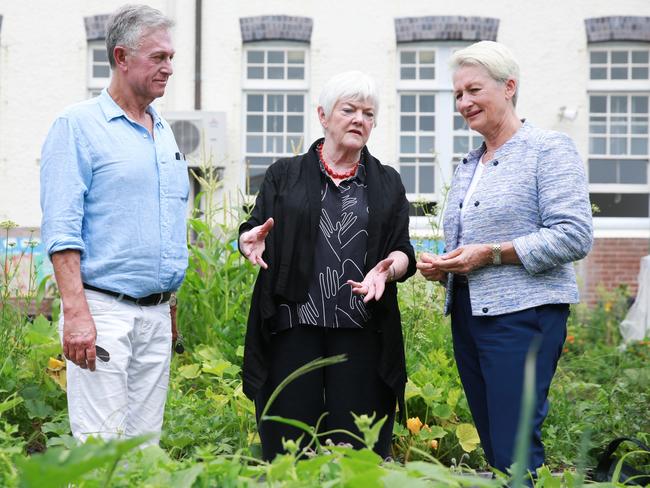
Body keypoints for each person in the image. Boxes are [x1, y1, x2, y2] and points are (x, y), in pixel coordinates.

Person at [417, 41, 593, 476]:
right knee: (495, 444)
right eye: (458, 94)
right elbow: (470, 247)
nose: (464, 102)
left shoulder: (548, 149)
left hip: (524, 318)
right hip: (469, 315)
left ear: (509, 87)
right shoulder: (470, 164)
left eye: (473, 90)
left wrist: (491, 254)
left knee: (515, 446)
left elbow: (573, 235)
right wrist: (443, 269)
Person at [239, 71, 416, 460]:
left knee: (359, 454)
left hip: (362, 334)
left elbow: (403, 250)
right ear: (323, 115)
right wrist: (246, 240)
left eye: (368, 114)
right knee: (288, 450)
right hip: (293, 329)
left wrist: (390, 268)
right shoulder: (284, 175)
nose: (359, 119)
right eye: (348, 109)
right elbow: (254, 228)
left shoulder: (387, 182)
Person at [40, 4, 186, 445]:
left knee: (144, 449)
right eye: (158, 58)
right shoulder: (77, 126)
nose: (169, 68)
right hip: (103, 312)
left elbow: (163, 224)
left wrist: (171, 307)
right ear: (122, 58)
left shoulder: (163, 131)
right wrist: (76, 314)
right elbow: (62, 229)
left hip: (156, 315)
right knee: (100, 447)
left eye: (171, 58)